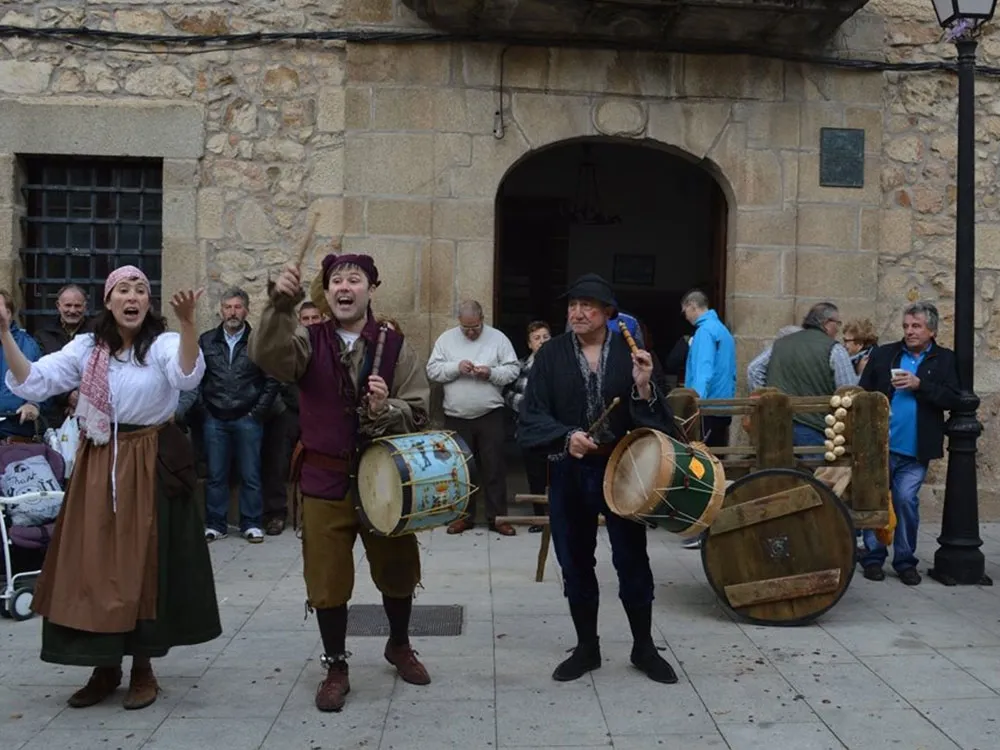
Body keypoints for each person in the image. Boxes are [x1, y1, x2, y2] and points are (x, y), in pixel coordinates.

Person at [1, 265, 221, 710]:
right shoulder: (87, 348)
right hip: (100, 459)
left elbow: (186, 375)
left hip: (148, 460)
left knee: (143, 564)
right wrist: (5, 334)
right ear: (109, 300)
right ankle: (103, 666)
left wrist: (188, 323)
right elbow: (35, 380)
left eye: (141, 289)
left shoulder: (160, 344)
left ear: (147, 302)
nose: (133, 296)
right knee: (94, 563)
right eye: (124, 289)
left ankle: (143, 666)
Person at [249, 252, 432, 713]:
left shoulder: (395, 347)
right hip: (323, 478)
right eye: (336, 280)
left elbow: (420, 410)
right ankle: (335, 665)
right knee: (327, 580)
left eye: (355, 279)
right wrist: (279, 305)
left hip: (383, 482)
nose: (344, 287)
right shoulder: (307, 340)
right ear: (327, 293)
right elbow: (266, 355)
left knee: (397, 568)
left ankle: (399, 643)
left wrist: (388, 408)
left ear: (371, 288)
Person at [518, 273, 680, 685]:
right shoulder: (550, 355)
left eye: (588, 305)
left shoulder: (634, 356)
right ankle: (586, 647)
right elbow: (530, 416)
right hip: (570, 471)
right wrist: (564, 436)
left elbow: (660, 423)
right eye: (572, 305)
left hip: (623, 469)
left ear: (609, 314)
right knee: (574, 562)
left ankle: (643, 647)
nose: (577, 312)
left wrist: (644, 387)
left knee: (632, 560)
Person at [858, 301, 959, 586]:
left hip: (916, 448)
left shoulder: (944, 359)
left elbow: (953, 398)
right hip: (880, 447)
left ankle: (904, 560)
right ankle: (874, 557)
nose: (910, 332)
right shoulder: (885, 354)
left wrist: (920, 386)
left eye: (916, 326)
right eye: (906, 326)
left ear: (932, 330)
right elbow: (863, 393)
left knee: (905, 501)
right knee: (876, 501)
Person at [426, 300, 520, 536]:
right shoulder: (446, 339)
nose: (470, 332)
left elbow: (512, 369)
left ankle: (497, 518)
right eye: (465, 328)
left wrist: (491, 373)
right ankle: (462, 517)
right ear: (459, 321)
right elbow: (432, 370)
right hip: (456, 415)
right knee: (460, 470)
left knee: (494, 468)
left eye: (475, 328)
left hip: (490, 413)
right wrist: (456, 367)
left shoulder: (498, 338)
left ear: (482, 319)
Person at [199, 287, 278, 543]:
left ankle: (251, 523)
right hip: (215, 417)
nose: (232, 312)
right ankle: (216, 524)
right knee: (216, 474)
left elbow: (272, 379)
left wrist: (258, 413)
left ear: (246, 310)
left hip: (248, 417)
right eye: (228, 307)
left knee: (251, 473)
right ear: (220, 310)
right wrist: (204, 409)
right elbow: (196, 377)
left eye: (237, 307)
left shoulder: (259, 341)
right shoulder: (206, 340)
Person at [764, 302, 858, 447]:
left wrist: (766, 397)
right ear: (827, 323)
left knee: (778, 469)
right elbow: (849, 391)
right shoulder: (834, 349)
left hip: (776, 423)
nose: (838, 329)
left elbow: (754, 370)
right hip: (814, 427)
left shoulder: (780, 344)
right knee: (815, 469)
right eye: (837, 323)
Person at [504, 320, 552, 533]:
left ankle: (557, 515)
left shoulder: (559, 364)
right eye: (537, 338)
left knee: (555, 474)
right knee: (535, 475)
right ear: (529, 343)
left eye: (545, 337)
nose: (541, 342)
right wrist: (525, 406)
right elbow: (506, 392)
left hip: (552, 428)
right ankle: (538, 517)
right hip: (528, 429)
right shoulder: (521, 366)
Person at [36, 284, 93, 427]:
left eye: (77, 306)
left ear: (85, 307)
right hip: (53, 412)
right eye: (68, 305)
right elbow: (42, 373)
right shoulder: (43, 335)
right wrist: (67, 397)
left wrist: (81, 399)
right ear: (58, 306)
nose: (72, 310)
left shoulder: (97, 334)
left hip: (91, 412)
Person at [0, 290, 43, 440]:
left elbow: (40, 383)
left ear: (9, 313)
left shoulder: (27, 345)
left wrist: (33, 404)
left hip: (13, 428)